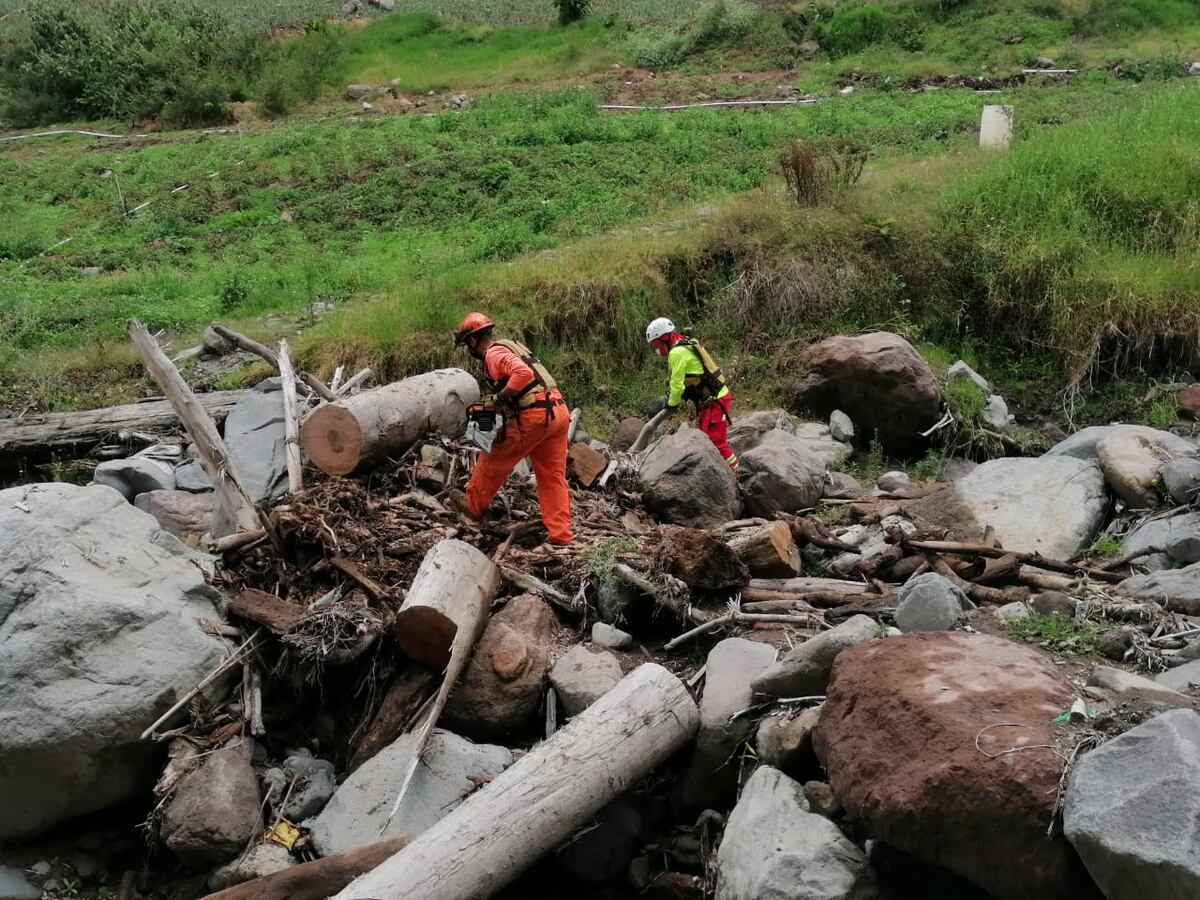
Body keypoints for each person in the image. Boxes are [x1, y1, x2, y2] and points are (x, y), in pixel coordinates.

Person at [450, 312, 573, 545]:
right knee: (552, 476)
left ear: (473, 341)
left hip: (536, 415)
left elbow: (522, 373)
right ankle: (560, 535)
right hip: (558, 412)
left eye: (468, 344)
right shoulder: (512, 346)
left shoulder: (494, 353)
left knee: (492, 459)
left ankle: (473, 507)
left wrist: (499, 399)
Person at [645, 317, 738, 469]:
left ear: (663, 338)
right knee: (703, 439)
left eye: (655, 344)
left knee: (716, 442)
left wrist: (671, 403)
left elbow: (677, 385)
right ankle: (717, 472)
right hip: (711, 400)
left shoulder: (676, 352)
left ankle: (738, 474)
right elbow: (689, 377)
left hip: (716, 400)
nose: (656, 349)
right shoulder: (685, 343)